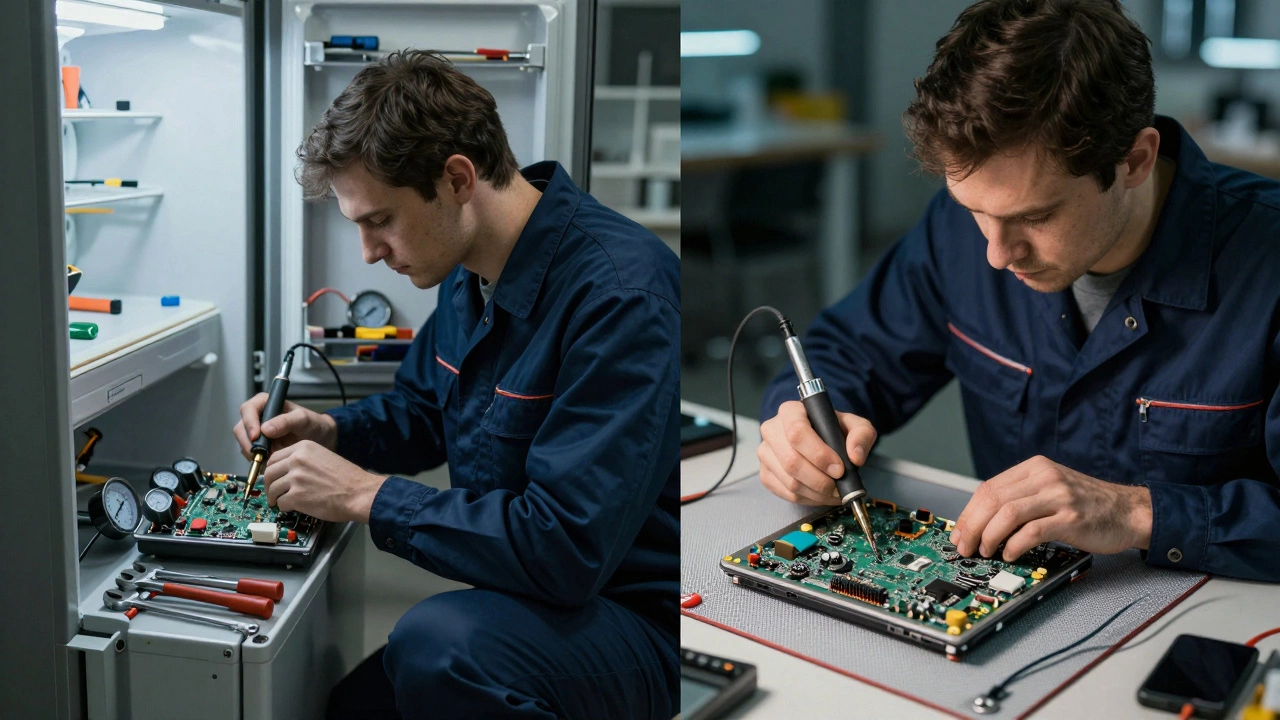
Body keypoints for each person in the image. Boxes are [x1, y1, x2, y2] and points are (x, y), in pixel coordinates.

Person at [757, 0, 1280, 581]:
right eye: (975, 209)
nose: (997, 254)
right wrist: (800, 431)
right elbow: (847, 353)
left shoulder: (1267, 266)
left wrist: (1137, 512)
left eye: (1036, 217)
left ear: (1134, 160)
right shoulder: (961, 228)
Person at [233, 51, 680, 719]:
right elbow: (423, 412)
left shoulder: (621, 294)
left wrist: (364, 495)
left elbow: (565, 547)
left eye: (379, 220)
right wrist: (327, 431)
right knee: (353, 709)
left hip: (635, 620)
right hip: (532, 603)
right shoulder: (468, 272)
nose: (369, 253)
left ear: (456, 178)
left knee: (439, 648)